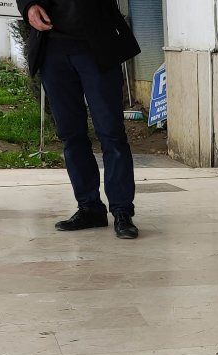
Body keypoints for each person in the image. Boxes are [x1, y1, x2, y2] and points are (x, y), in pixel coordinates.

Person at [17, 0, 141, 239]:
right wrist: (29, 6)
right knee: (71, 135)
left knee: (111, 133)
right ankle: (89, 208)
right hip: (52, 48)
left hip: (97, 45)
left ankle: (122, 211)